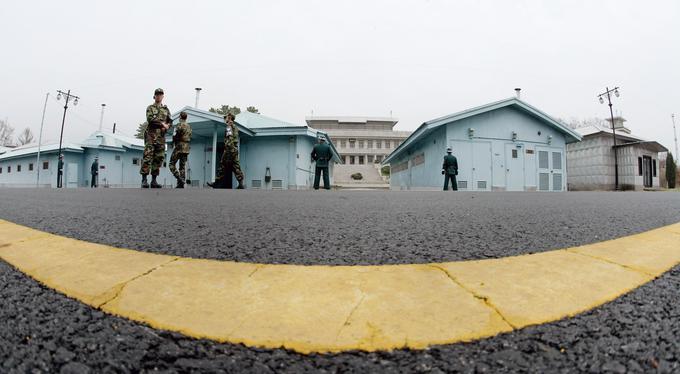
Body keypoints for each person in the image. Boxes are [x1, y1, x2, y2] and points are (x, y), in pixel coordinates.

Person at [140, 88, 171, 188]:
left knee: (159, 158)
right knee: (147, 157)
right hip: (151, 136)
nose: (159, 96)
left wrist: (167, 126)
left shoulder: (166, 109)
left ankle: (154, 180)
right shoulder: (150, 107)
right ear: (154, 96)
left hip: (161, 137)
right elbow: (150, 119)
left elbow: (170, 121)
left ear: (163, 96)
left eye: (160, 94)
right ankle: (144, 180)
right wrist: (162, 124)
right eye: (157, 94)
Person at [208, 112, 245, 189]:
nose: (225, 119)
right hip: (234, 149)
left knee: (222, 165)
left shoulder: (229, 126)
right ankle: (241, 183)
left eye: (226, 117)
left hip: (229, 149)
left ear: (230, 118)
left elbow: (229, 138)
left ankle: (216, 183)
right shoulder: (235, 127)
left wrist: (228, 149)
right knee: (235, 166)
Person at [169, 111, 192, 188]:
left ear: (180, 117)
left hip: (179, 146)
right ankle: (181, 183)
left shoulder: (179, 125)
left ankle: (179, 178)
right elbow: (190, 135)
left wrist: (173, 141)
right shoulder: (189, 126)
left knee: (171, 164)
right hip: (186, 148)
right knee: (182, 166)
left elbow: (175, 135)